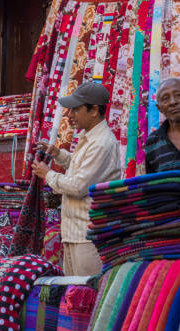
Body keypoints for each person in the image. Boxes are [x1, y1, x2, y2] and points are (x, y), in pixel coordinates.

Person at [31, 82, 121, 276]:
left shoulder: (101, 144)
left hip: (88, 237)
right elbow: (79, 167)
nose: (70, 115)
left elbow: (79, 186)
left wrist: (48, 174)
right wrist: (58, 154)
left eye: (76, 109)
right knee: (74, 294)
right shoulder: (90, 138)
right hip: (76, 233)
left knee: (86, 295)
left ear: (94, 110)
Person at [145, 78, 180, 173]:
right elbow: (153, 185)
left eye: (178, 95)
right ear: (159, 108)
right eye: (165, 98)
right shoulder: (153, 142)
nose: (173, 102)